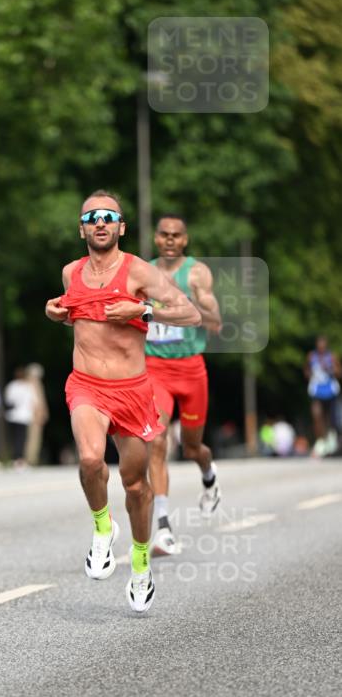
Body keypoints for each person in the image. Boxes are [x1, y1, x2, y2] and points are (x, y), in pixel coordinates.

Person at [46, 190, 202, 614]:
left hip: (133, 393)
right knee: (91, 461)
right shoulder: (70, 273)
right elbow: (74, 316)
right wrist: (55, 312)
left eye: (108, 217)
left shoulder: (138, 271)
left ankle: (140, 561)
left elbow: (190, 314)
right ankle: (102, 528)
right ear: (82, 228)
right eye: (92, 217)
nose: (100, 223)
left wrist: (143, 310)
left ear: (121, 227)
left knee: (136, 486)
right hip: (87, 387)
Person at [144, 215, 222, 556]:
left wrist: (190, 305)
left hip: (191, 370)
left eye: (177, 235)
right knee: (156, 442)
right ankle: (163, 528)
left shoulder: (196, 273)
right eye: (164, 234)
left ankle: (208, 473)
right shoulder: (141, 272)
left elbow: (217, 324)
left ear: (185, 239)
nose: (170, 239)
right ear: (156, 238)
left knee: (192, 448)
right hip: (154, 369)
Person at [304, 335, 341, 457]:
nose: (321, 347)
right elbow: (306, 370)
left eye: (323, 345)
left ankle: (332, 439)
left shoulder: (331, 356)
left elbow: (339, 373)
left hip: (330, 391)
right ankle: (320, 440)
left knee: (331, 419)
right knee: (317, 416)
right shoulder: (311, 356)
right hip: (316, 391)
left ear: (326, 346)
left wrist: (331, 368)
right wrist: (310, 374)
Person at [4, 367, 37, 468]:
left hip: (13, 416)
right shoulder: (28, 387)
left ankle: (15, 458)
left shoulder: (11, 386)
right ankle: (20, 458)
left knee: (15, 438)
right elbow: (34, 401)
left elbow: (8, 400)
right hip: (23, 416)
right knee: (21, 438)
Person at [24, 363, 49, 466]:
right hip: (32, 414)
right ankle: (29, 459)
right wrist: (39, 413)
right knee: (32, 437)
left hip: (34, 414)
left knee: (34, 437)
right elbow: (35, 401)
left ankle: (32, 458)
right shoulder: (30, 385)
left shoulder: (35, 384)